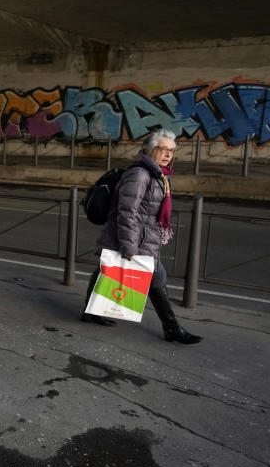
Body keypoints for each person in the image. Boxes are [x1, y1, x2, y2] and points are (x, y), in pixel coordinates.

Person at [81, 129, 202, 344]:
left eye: (171, 150)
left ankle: (90, 312)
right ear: (148, 150)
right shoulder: (140, 174)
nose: (167, 154)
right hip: (136, 239)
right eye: (162, 149)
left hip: (144, 236)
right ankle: (172, 328)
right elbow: (127, 212)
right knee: (156, 278)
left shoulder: (158, 174)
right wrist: (129, 247)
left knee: (105, 269)